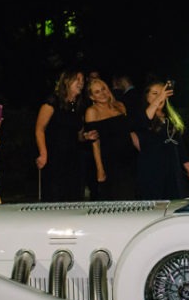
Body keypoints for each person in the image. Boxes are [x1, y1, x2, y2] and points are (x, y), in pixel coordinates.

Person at [133, 79, 189, 199]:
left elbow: (180, 148)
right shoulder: (140, 116)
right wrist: (160, 97)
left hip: (173, 171)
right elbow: (144, 121)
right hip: (152, 170)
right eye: (155, 93)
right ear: (146, 97)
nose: (160, 96)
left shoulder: (171, 119)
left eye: (163, 93)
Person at [34, 70, 86, 201]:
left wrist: (86, 136)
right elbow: (39, 128)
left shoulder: (79, 106)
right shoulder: (53, 101)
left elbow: (79, 135)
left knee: (73, 195)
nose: (81, 83)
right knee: (55, 195)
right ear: (67, 82)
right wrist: (43, 153)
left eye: (82, 81)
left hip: (73, 158)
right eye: (77, 80)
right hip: (54, 156)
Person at [84, 76, 138, 200]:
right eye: (97, 92)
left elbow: (129, 133)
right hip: (109, 163)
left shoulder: (120, 106)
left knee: (132, 199)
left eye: (103, 89)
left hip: (129, 159)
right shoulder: (92, 112)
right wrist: (100, 170)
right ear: (92, 97)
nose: (102, 93)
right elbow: (95, 143)